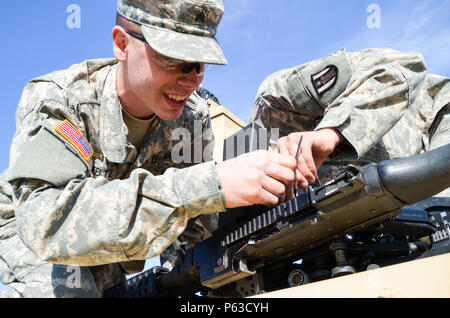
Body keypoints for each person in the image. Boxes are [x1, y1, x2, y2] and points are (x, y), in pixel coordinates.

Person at [0, 0, 297, 298]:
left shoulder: (191, 119)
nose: (191, 79)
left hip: (117, 242)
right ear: (122, 44)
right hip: (29, 229)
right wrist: (211, 183)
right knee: (71, 291)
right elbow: (50, 221)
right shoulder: (60, 102)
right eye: (173, 57)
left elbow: (195, 230)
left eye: (200, 64)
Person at [249, 48, 449, 195]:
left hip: (436, 111)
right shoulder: (248, 189)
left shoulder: (275, 101)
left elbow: (403, 64)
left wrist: (329, 134)